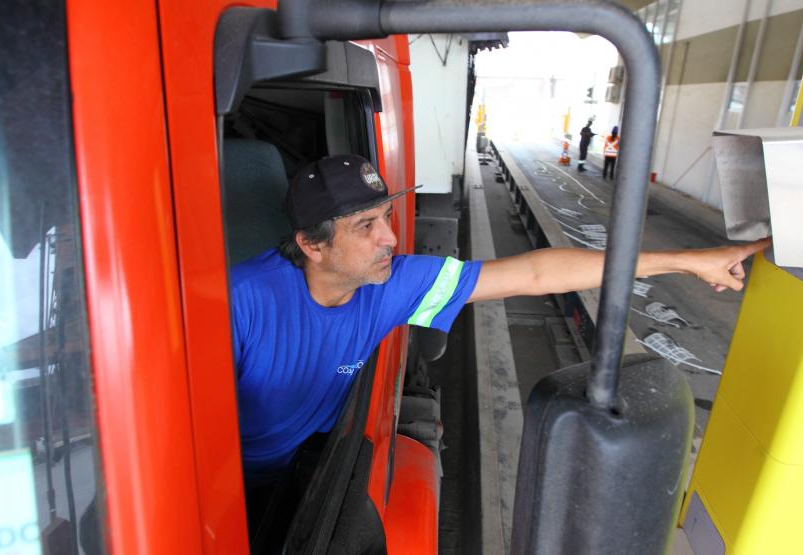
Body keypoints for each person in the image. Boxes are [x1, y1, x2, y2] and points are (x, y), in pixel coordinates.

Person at [230, 153, 768, 527]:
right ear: (312, 246)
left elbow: (534, 274)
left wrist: (685, 261)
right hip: (230, 485)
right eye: (365, 226)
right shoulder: (242, 302)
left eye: (387, 217)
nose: (391, 237)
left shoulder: (392, 282)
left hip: (309, 472)